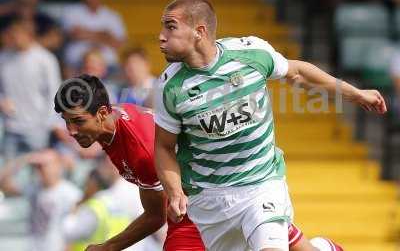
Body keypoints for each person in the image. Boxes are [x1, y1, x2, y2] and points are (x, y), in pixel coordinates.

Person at [154, 0, 386, 251]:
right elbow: (164, 147)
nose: (161, 36)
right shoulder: (170, 87)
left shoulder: (251, 53)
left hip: (262, 183)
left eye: (171, 26)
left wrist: (356, 93)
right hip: (210, 200)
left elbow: (297, 72)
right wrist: (175, 192)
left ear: (200, 31)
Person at [54, 75, 343, 251]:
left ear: (103, 112)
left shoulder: (140, 148)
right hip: (209, 193)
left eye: (78, 121)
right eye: (67, 122)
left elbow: (156, 215)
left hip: (205, 203)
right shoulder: (114, 123)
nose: (71, 131)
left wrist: (109, 246)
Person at [0, 17, 62, 160]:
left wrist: (46, 125)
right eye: (12, 34)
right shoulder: (3, 58)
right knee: (9, 175)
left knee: (37, 175)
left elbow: (55, 94)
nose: (14, 38)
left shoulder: (46, 59)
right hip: (11, 127)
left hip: (37, 129)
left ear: (29, 34)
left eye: (17, 34)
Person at [0, 149, 82, 251]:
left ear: (57, 166)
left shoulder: (71, 194)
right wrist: (24, 159)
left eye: (45, 165)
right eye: (38, 166)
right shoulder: (34, 188)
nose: (41, 169)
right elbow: (3, 184)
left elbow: (74, 231)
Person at [62, 0, 126, 75]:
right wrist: (104, 35)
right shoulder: (71, 11)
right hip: (77, 65)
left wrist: (85, 33)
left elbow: (118, 43)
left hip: (108, 67)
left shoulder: (113, 16)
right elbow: (74, 34)